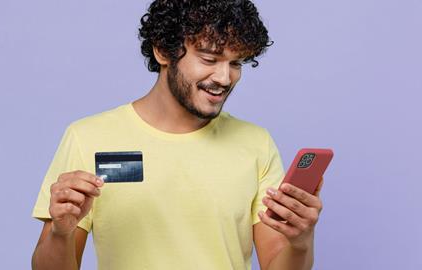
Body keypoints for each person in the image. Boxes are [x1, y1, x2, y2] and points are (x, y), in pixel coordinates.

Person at [31, 1, 324, 269]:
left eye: (236, 63)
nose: (225, 78)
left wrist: (300, 242)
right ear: (163, 51)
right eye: (210, 59)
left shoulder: (256, 144)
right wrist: (61, 231)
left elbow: (276, 263)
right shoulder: (88, 138)